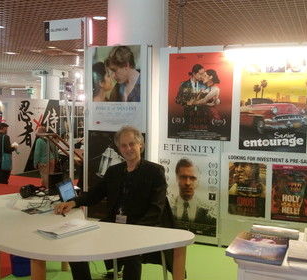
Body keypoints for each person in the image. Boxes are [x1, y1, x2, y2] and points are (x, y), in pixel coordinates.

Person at [54, 126, 173, 280]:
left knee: (132, 254)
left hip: (140, 227)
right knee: (75, 248)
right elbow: (95, 195)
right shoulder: (114, 171)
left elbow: (157, 208)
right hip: (112, 225)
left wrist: (136, 231)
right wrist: (73, 202)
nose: (128, 148)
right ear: (118, 148)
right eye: (123, 145)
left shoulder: (155, 171)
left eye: (132, 144)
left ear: (140, 146)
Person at [172, 158, 216, 236]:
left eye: (192, 178)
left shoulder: (209, 213)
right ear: (176, 178)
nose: (188, 183)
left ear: (198, 180)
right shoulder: (167, 207)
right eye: (183, 177)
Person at [175, 64, 206, 129]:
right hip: (188, 116)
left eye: (203, 74)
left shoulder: (204, 85)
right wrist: (187, 103)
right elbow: (177, 100)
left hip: (202, 117)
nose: (203, 76)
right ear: (194, 74)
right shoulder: (184, 84)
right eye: (201, 74)